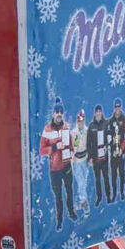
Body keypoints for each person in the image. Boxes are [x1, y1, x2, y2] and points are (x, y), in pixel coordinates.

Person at [40, 98, 76, 230]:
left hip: (67, 166)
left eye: (61, 111)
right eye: (57, 111)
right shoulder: (47, 129)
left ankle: (71, 212)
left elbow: (71, 144)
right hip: (54, 170)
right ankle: (59, 219)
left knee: (70, 191)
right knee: (58, 195)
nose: (59, 113)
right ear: (53, 113)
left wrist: (72, 151)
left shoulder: (66, 126)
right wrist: (54, 147)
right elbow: (42, 150)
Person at [87, 104, 110, 208]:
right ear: (94, 113)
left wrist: (108, 146)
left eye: (100, 111)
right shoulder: (91, 126)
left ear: (102, 112)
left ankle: (109, 196)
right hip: (95, 158)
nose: (98, 113)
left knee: (106, 177)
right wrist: (90, 157)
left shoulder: (106, 123)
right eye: (97, 111)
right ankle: (99, 197)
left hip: (104, 157)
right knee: (97, 179)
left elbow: (111, 136)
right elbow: (88, 143)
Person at [107, 98, 125, 202]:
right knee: (114, 174)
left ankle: (122, 192)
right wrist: (112, 149)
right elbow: (109, 137)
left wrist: (121, 149)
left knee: (122, 173)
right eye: (116, 106)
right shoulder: (110, 121)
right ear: (114, 108)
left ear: (121, 107)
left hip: (121, 152)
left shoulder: (124, 119)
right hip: (113, 153)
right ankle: (114, 194)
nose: (117, 108)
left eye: (119, 106)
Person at [70, 109, 90, 218]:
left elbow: (90, 144)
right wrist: (77, 140)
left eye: (82, 120)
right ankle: (85, 204)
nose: (80, 122)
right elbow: (73, 148)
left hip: (85, 159)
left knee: (84, 182)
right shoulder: (74, 132)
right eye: (79, 120)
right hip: (77, 161)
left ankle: (79, 200)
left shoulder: (87, 130)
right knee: (81, 182)